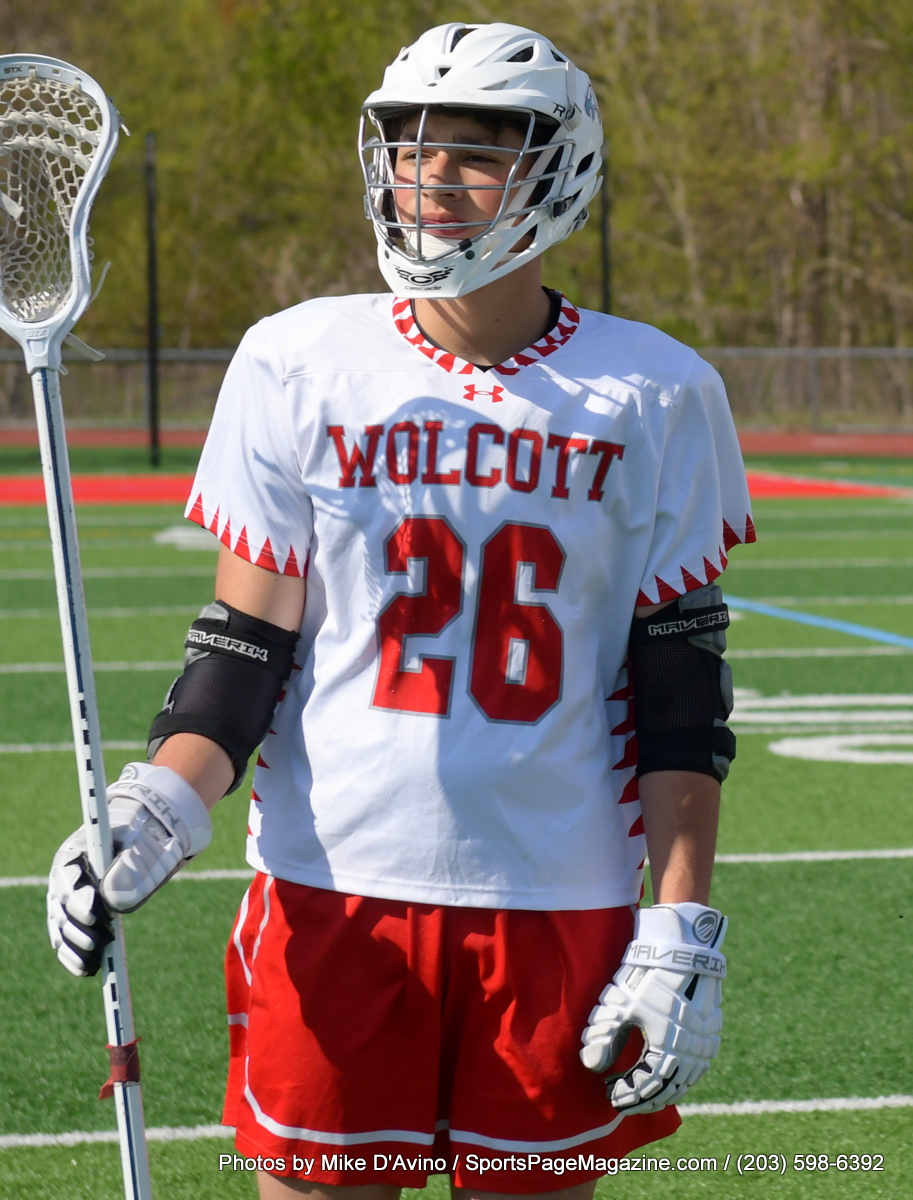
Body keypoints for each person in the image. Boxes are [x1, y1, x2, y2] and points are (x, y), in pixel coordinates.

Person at [47, 21, 754, 1200]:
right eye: (410, 149)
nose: (431, 179)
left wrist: (680, 923)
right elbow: (245, 647)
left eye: (475, 153)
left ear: (559, 170)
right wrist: (159, 806)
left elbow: (679, 693)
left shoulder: (657, 390)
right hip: (332, 886)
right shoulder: (296, 359)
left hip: (558, 897)